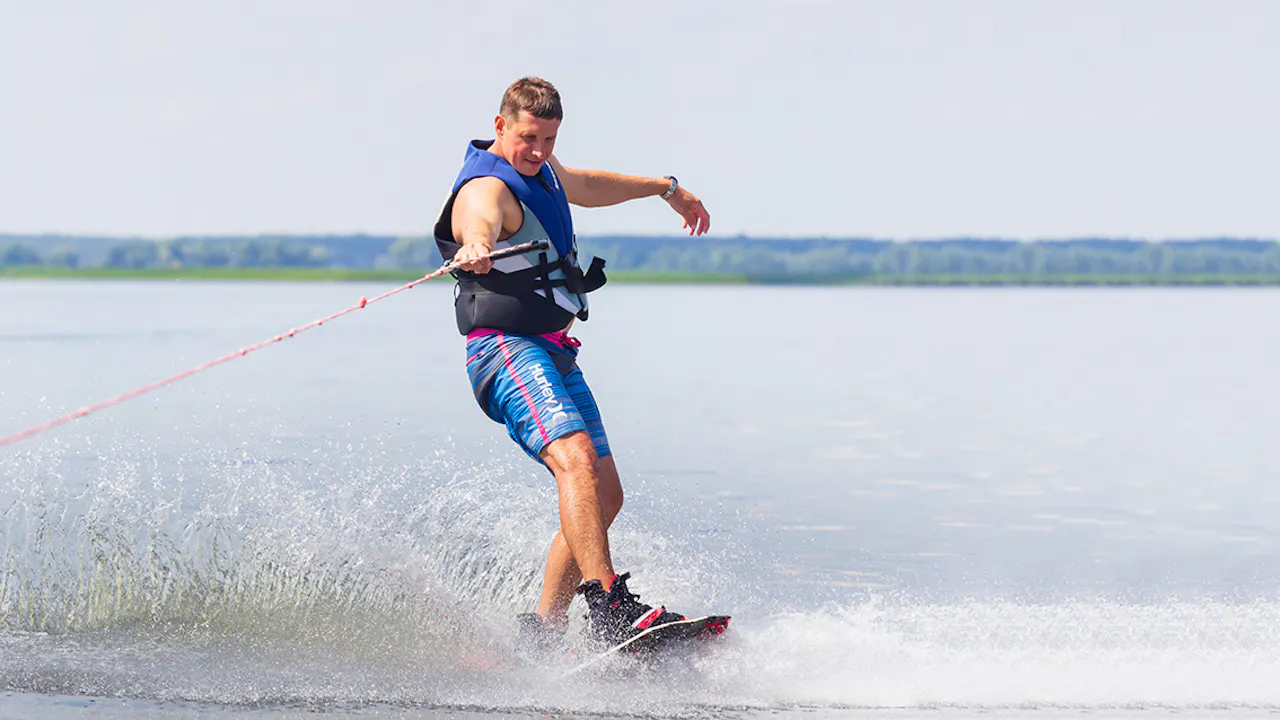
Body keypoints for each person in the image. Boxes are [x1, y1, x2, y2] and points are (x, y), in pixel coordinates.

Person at [433, 77, 712, 647]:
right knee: (576, 460)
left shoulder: (546, 171)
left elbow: (585, 184)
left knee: (606, 494)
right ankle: (609, 606)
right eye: (529, 138)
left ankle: (544, 630)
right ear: (500, 126)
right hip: (505, 350)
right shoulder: (485, 187)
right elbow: (477, 218)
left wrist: (667, 188)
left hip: (554, 352)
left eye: (550, 139)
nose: (538, 152)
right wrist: (477, 244)